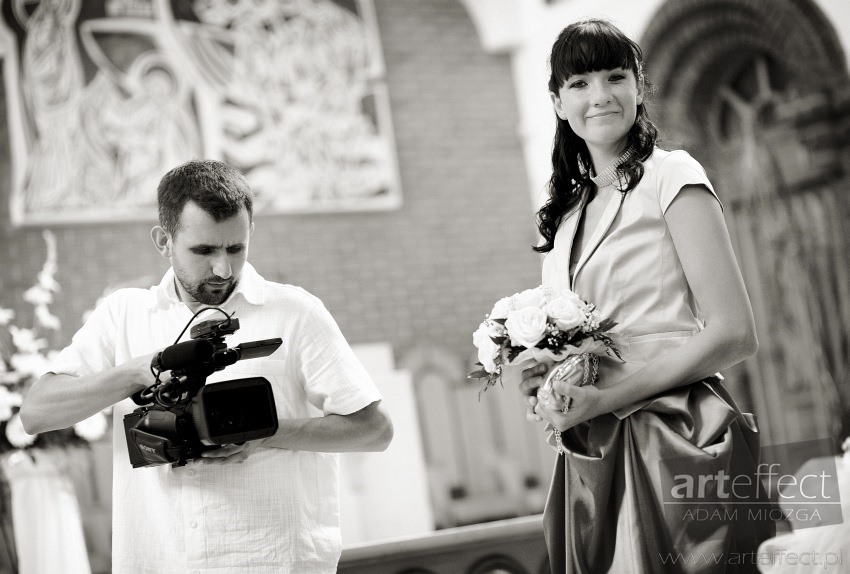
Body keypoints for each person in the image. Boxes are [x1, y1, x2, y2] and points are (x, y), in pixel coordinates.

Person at [20, 159, 394, 574]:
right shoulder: (123, 315)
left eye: (236, 248)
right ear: (164, 241)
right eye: (204, 250)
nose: (224, 269)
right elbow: (36, 414)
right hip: (159, 558)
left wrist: (264, 434)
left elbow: (374, 430)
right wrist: (140, 372)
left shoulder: (295, 312)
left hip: (272, 560)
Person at [520, 19, 774, 573]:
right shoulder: (564, 216)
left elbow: (735, 332)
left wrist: (609, 398)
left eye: (616, 76)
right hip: (595, 449)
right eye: (580, 83)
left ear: (639, 88)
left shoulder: (672, 175)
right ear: (558, 102)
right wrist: (544, 379)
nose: (601, 96)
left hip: (679, 432)